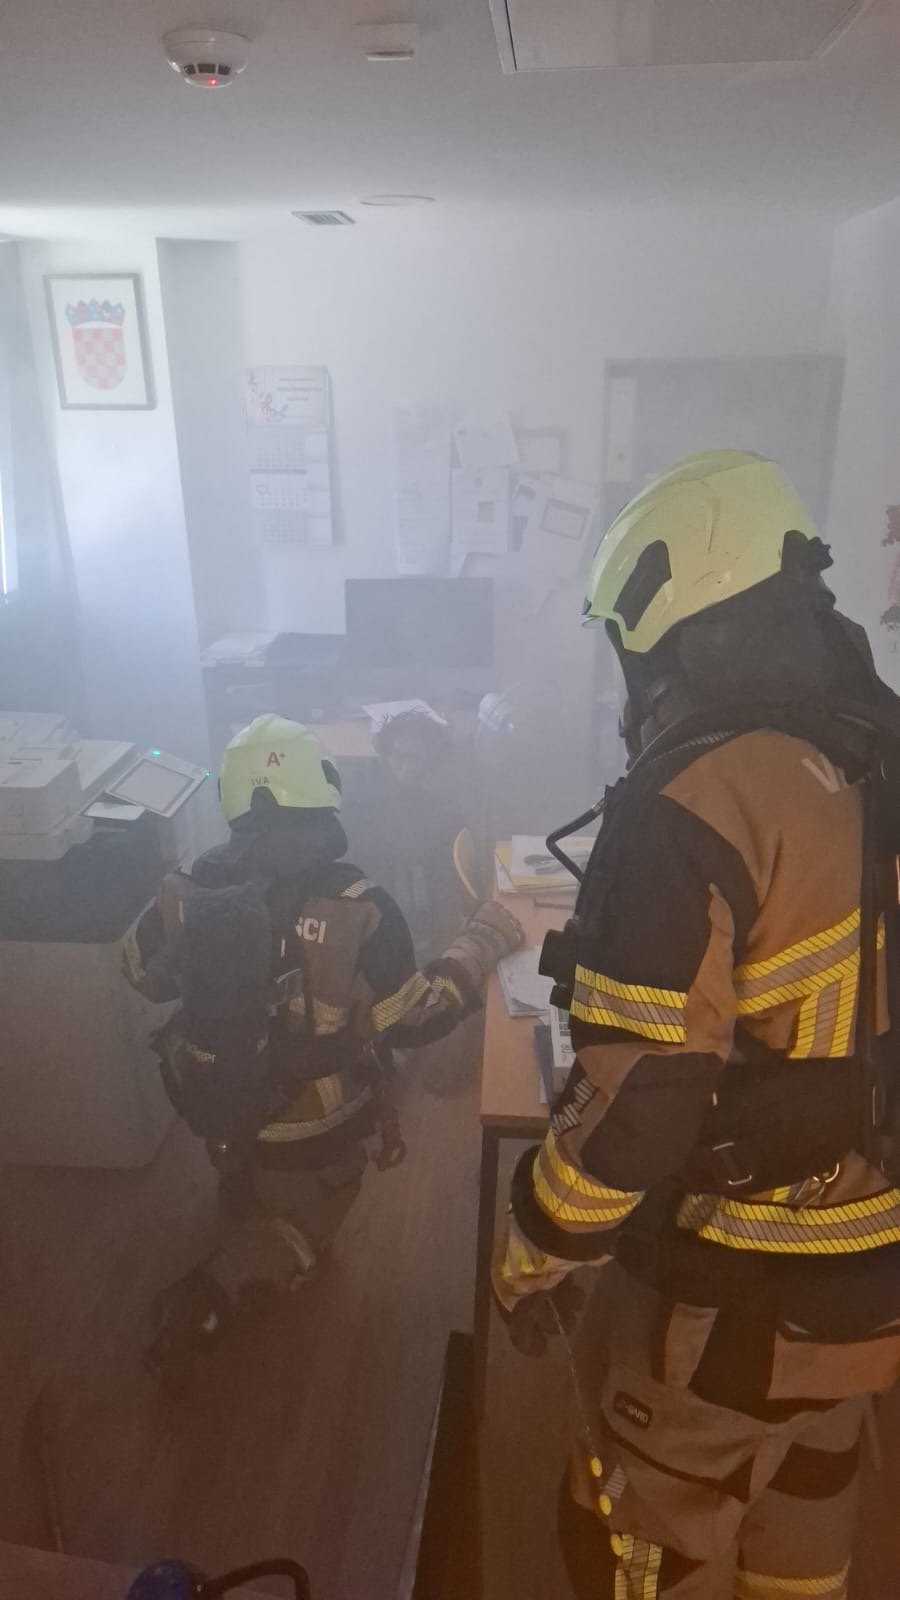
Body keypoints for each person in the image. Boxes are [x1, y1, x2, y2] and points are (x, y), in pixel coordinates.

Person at [492, 450, 900, 1599]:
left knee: (625, 1548)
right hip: (872, 1298)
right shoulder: (876, 757)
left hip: (732, 1303)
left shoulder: (697, 798)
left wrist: (535, 1239)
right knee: (803, 1528)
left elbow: (642, 1106)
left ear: (661, 628)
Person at [125, 714, 521, 1374]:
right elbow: (417, 1019)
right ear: (323, 786)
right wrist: (478, 945)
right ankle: (209, 1298)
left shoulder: (186, 887)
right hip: (311, 1120)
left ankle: (242, 1176)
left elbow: (139, 974)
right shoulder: (360, 904)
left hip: (212, 1088)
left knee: (249, 1169)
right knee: (314, 1219)